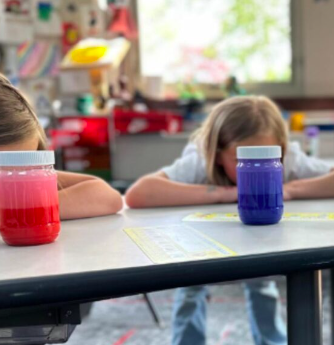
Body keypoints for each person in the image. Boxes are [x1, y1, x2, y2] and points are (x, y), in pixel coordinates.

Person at [125, 95, 334, 345]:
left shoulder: (284, 161)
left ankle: (271, 339)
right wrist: (225, 194)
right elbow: (139, 193)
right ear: (216, 153)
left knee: (261, 282)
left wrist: (290, 189)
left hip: (260, 237)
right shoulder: (199, 163)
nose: (257, 166)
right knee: (191, 287)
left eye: (267, 157)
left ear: (280, 148)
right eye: (240, 160)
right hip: (201, 240)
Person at [0, 69, 122, 238]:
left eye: (20, 167)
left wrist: (20, 211)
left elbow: (107, 197)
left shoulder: (17, 178)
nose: (3, 186)